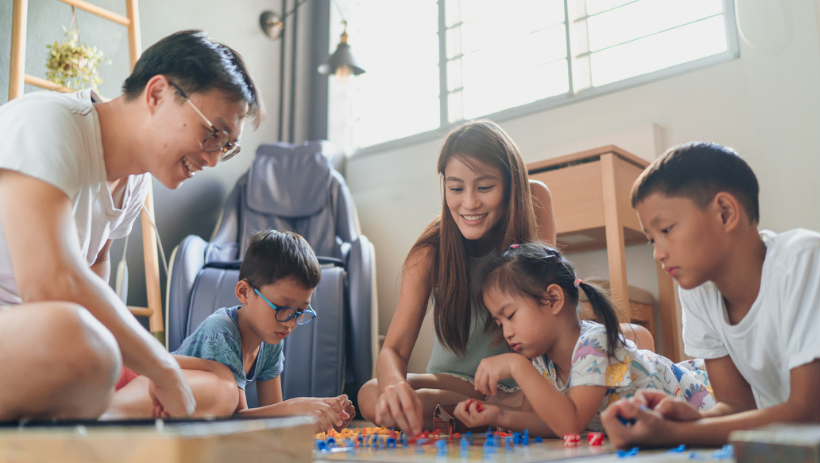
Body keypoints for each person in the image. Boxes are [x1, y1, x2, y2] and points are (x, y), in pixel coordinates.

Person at [0, 30, 261, 420]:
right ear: (156, 94)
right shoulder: (48, 124)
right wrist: (159, 367)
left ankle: (95, 412)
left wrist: (155, 369)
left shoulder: (134, 181)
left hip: (46, 341)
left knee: (220, 386)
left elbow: (93, 268)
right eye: (213, 133)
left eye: (225, 147)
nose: (211, 159)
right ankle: (90, 408)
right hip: (33, 333)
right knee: (81, 343)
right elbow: (50, 283)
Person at [358, 119, 653, 435]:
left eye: (485, 187)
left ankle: (483, 414)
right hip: (463, 382)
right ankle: (488, 413)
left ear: (511, 183)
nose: (469, 202)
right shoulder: (429, 252)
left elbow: (546, 305)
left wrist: (523, 370)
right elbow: (395, 350)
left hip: (534, 372)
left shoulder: (534, 201)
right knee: (371, 395)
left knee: (639, 338)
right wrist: (394, 390)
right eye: (456, 188)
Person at [600, 142, 820, 448]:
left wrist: (674, 435)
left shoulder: (803, 258)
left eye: (666, 229)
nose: (658, 253)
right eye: (651, 239)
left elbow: (811, 413)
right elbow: (736, 407)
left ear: (725, 213)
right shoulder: (698, 291)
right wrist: (686, 419)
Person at [453, 242, 714, 437]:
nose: (506, 332)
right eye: (499, 323)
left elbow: (571, 423)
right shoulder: (539, 361)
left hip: (701, 403)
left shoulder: (595, 344)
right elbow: (552, 421)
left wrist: (515, 366)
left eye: (510, 315)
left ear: (553, 299)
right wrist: (499, 414)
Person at [107, 230, 356, 431]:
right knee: (225, 390)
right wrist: (296, 407)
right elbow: (236, 417)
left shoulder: (272, 338)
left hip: (165, 405)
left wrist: (321, 418)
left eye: (300, 312)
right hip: (134, 384)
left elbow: (273, 417)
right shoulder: (222, 332)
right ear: (244, 292)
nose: (290, 322)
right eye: (282, 308)